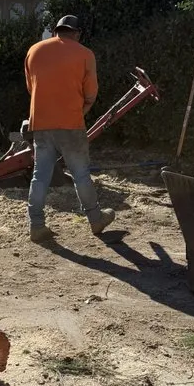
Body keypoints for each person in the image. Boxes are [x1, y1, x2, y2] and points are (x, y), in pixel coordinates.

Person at [24, 15, 115, 243]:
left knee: (40, 176)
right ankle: (96, 220)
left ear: (56, 31)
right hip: (71, 124)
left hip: (41, 124)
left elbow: (30, 87)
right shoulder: (85, 54)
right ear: (76, 33)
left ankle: (36, 225)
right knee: (81, 174)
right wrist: (79, 112)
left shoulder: (34, 51)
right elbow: (91, 93)